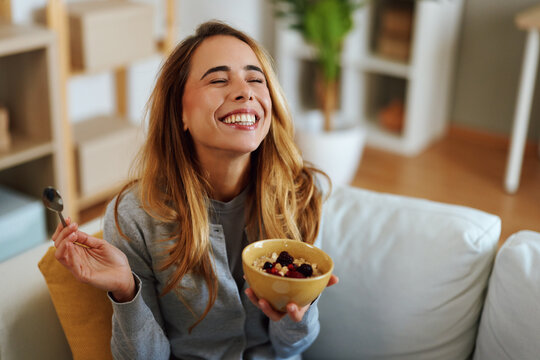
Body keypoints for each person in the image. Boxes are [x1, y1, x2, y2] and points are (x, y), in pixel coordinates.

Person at [52, 21, 338, 360]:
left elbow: (294, 345)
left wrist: (299, 310)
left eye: (255, 79)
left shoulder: (301, 194)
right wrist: (125, 291)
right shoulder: (134, 216)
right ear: (180, 112)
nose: (245, 91)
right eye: (218, 79)